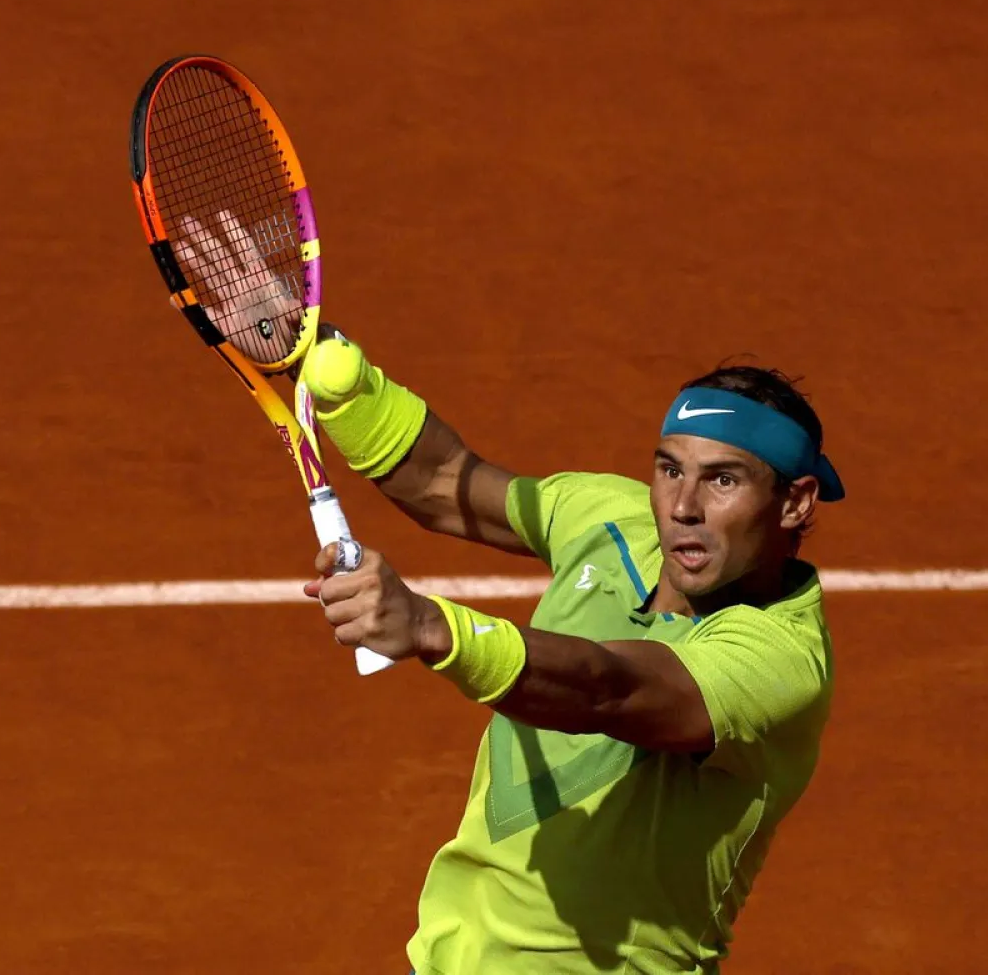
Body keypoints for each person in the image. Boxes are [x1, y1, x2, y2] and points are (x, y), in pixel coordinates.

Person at [298, 334, 845, 975]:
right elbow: (443, 480)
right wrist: (340, 378)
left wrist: (431, 626)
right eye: (670, 470)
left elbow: (607, 689)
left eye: (723, 479)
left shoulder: (781, 658)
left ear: (794, 502)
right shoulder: (611, 522)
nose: (682, 507)